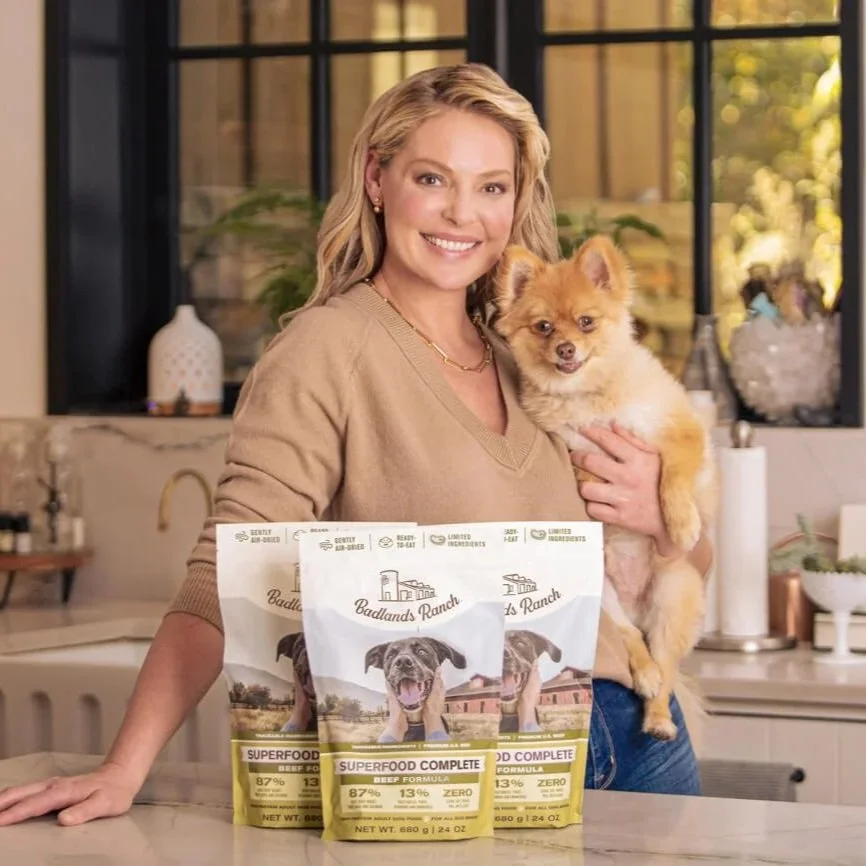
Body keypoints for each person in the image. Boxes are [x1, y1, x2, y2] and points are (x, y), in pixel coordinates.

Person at [0, 63, 711, 828]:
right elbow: (225, 574)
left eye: (493, 187)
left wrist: (660, 515)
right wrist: (121, 768)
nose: (462, 213)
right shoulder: (326, 349)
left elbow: (685, 560)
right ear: (377, 178)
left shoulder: (531, 348)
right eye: (433, 179)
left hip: (638, 744)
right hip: (451, 770)